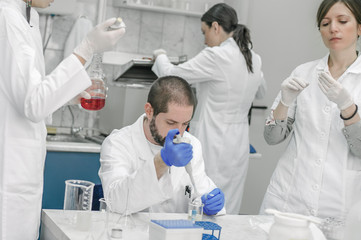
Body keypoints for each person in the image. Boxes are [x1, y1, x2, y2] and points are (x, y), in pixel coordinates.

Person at [0, 0, 125, 239]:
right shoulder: (8, 17)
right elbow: (33, 104)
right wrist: (86, 47)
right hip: (9, 172)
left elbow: (29, 95)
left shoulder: (26, 18)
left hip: (22, 172)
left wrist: (67, 95)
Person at [151, 3, 266, 214]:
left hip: (212, 138)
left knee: (202, 194)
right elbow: (261, 92)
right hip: (238, 142)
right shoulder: (253, 57)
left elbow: (170, 74)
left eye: (204, 32)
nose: (205, 40)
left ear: (215, 27)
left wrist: (160, 55)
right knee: (227, 201)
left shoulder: (215, 56)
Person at [260, 0, 361, 224]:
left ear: (359, 27)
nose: (333, 28)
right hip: (289, 198)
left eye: (342, 21)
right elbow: (271, 138)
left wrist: (348, 108)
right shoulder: (304, 72)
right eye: (325, 23)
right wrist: (284, 102)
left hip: (338, 205)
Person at [98, 76, 225, 216]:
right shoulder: (118, 144)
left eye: (185, 124)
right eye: (171, 123)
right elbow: (117, 202)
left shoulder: (191, 143)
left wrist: (207, 203)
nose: (179, 132)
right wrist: (162, 161)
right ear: (149, 111)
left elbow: (199, 190)